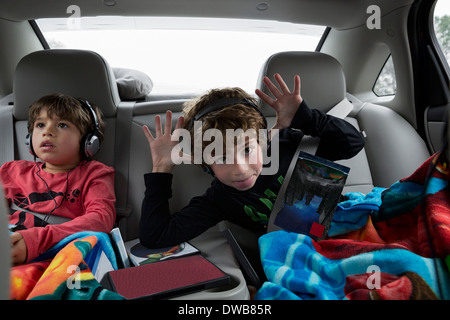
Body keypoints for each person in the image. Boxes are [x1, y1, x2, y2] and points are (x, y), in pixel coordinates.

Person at [139, 74, 365, 248]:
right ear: (205, 164)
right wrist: (163, 168)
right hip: (302, 255)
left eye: (247, 150)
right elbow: (155, 236)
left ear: (264, 140)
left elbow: (352, 142)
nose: (240, 169)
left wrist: (305, 118)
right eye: (221, 157)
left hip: (348, 228)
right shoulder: (220, 199)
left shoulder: (288, 146)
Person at [0, 93, 116, 266]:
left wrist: (38, 240)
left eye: (62, 125)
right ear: (30, 139)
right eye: (40, 125)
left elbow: (100, 219)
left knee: (96, 239)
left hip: (56, 255)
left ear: (89, 142)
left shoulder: (94, 174)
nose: (47, 131)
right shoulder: (11, 170)